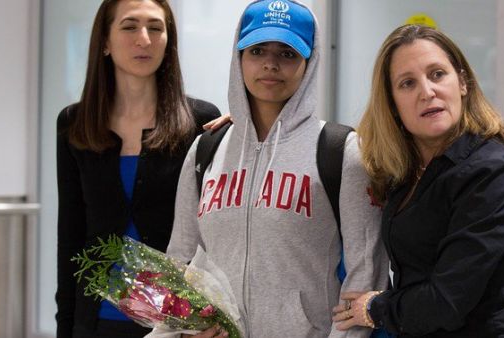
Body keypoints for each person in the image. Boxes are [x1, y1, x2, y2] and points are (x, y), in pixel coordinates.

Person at [166, 1, 389, 337]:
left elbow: (364, 275)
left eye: (287, 53)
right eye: (257, 50)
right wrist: (186, 328)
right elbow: (179, 262)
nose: (270, 64)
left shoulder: (341, 152)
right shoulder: (206, 150)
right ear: (238, 57)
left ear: (308, 62)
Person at [331, 24, 504, 337]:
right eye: (407, 83)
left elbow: (446, 301)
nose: (427, 92)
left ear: (463, 83)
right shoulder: (405, 168)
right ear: (392, 104)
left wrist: (375, 309)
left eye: (437, 74)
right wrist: (239, 130)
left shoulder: (491, 172)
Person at [55, 1, 221, 337]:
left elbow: (214, 234)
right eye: (130, 26)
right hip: (97, 319)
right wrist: (66, 326)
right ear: (104, 41)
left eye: (155, 28)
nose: (143, 39)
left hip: (176, 323)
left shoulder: (201, 122)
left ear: (168, 41)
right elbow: (70, 235)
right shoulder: (75, 124)